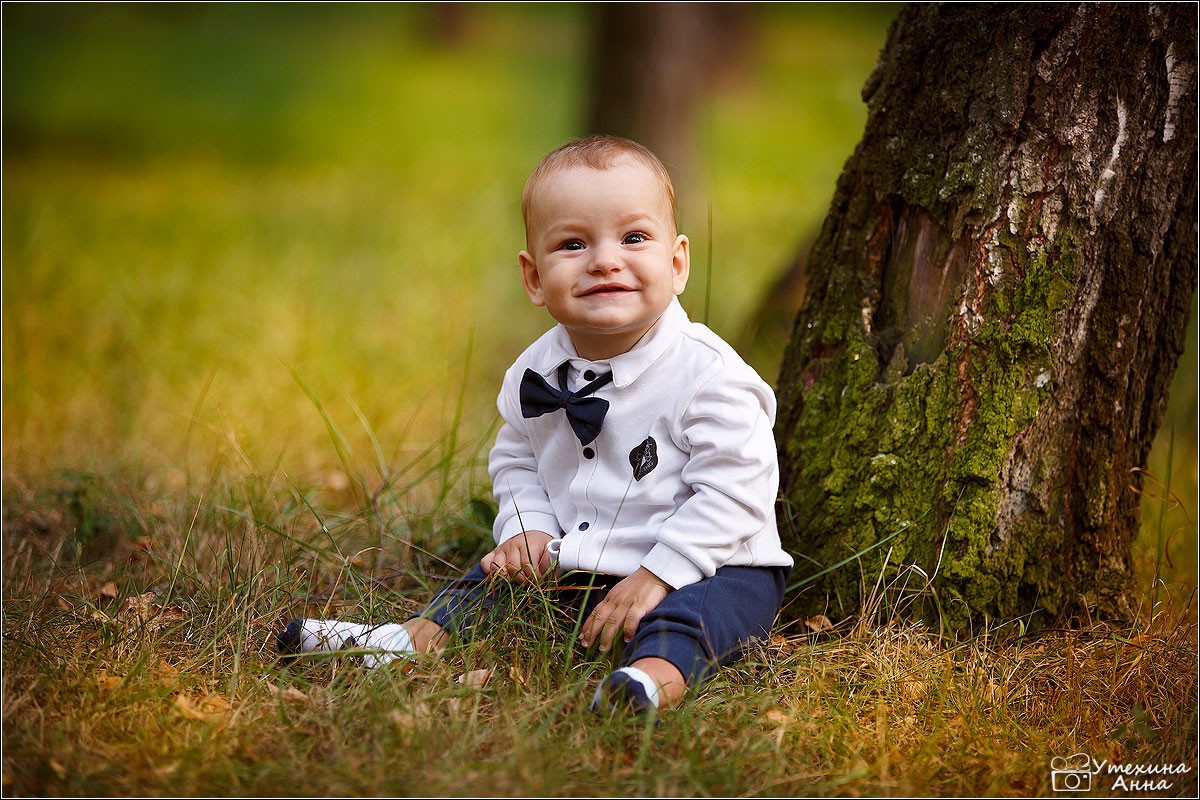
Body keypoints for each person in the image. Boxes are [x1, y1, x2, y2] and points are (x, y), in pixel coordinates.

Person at [277, 134, 794, 715]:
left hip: (713, 562)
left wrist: (657, 574)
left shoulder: (710, 375)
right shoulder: (535, 369)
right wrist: (527, 527)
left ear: (676, 264)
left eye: (634, 238)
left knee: (692, 617)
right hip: (587, 555)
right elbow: (517, 459)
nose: (604, 259)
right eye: (573, 243)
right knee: (498, 580)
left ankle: (647, 683)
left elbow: (737, 490)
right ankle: (411, 640)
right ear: (533, 276)